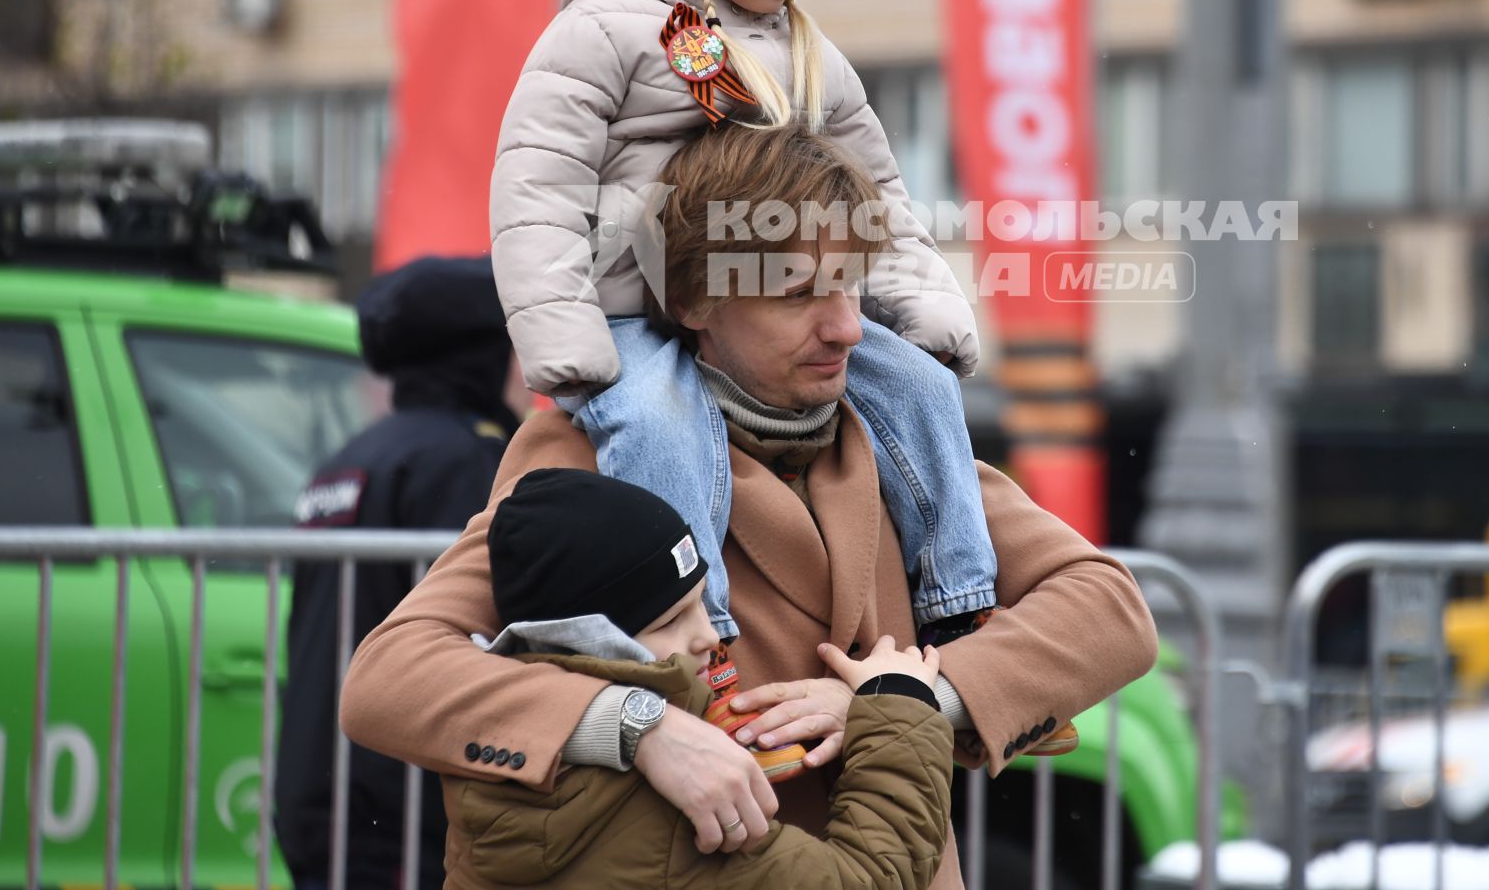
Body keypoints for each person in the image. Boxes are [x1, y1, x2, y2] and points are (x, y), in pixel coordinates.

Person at [344, 124, 1159, 890]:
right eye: (799, 292)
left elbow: (1111, 610)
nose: (846, 328)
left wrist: (907, 702)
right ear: (695, 301)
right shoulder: (593, 452)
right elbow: (390, 678)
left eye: (849, 286)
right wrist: (637, 726)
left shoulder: (899, 443)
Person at [487, 0, 1028, 726]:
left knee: (917, 385)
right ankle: (705, 657)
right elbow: (536, 187)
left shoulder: (810, 56)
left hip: (766, 317)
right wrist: (563, 333)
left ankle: (959, 613)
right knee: (658, 422)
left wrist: (921, 301)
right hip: (632, 317)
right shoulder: (607, 27)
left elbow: (880, 196)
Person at [444, 466, 955, 888]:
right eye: (669, 620)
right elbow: (869, 879)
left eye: (702, 606)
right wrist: (899, 705)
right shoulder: (671, 809)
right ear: (590, 641)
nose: (710, 638)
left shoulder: (498, 754)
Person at [275, 255, 525, 890]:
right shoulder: (467, 460)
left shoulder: (354, 457)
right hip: (403, 802)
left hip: (327, 787)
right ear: (481, 353)